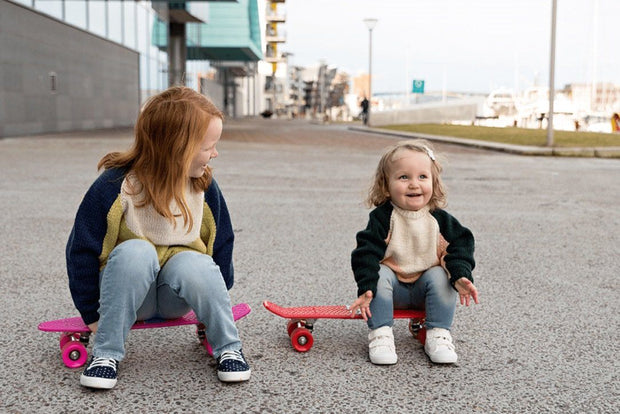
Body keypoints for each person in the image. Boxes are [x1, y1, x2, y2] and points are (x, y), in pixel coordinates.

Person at [66, 86, 250, 389]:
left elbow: (222, 242)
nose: (215, 153)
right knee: (136, 251)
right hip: (125, 296)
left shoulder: (203, 187)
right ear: (177, 147)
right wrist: (90, 311)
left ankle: (228, 347)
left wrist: (213, 305)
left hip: (174, 298)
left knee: (194, 262)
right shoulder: (115, 184)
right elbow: (81, 249)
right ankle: (106, 354)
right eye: (209, 146)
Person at [349, 139, 478, 365]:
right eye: (403, 177)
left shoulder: (439, 220)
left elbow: (461, 244)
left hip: (425, 292)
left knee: (440, 274)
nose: (414, 184)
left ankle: (438, 333)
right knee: (380, 273)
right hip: (391, 293)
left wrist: (460, 275)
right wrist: (367, 286)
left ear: (434, 182)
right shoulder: (383, 218)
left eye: (422, 177)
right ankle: (380, 333)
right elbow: (366, 252)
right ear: (385, 185)